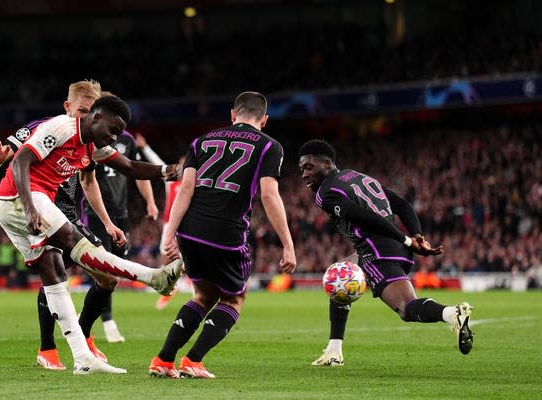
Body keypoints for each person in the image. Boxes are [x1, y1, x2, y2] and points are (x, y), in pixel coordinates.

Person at [0, 94, 184, 375]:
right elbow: (20, 161)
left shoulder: (93, 145)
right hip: (22, 199)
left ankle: (82, 358)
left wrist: (168, 171)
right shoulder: (62, 127)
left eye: (119, 132)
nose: (115, 137)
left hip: (12, 205)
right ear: (95, 117)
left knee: (54, 275)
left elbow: (129, 167)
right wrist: (30, 208)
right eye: (112, 129)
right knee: (75, 243)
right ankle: (153, 277)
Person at [149, 91, 297, 379]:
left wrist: (170, 233)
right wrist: (288, 244)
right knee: (232, 299)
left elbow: (186, 189)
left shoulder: (200, 141)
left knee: (203, 295)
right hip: (226, 232)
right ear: (264, 120)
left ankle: (164, 360)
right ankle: (193, 360)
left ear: (233, 114)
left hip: (190, 231)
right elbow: (269, 194)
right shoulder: (270, 147)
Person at [297, 139, 474, 367]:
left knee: (406, 308)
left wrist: (409, 239)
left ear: (328, 163)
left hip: (376, 249)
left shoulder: (325, 192)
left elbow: (364, 217)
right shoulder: (358, 177)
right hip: (392, 248)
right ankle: (334, 350)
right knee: (339, 276)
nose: (304, 175)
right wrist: (416, 234)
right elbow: (401, 204)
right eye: (301, 169)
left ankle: (452, 314)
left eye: (309, 167)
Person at [84, 127, 159, 342]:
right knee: (106, 270)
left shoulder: (127, 141)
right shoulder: (90, 138)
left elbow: (137, 173)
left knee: (117, 268)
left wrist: (151, 201)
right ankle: (108, 321)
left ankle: (88, 313)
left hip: (121, 213)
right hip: (96, 213)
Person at [133, 132, 191, 310]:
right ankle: (169, 287)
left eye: (185, 165)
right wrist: (145, 148)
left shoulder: (195, 184)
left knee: (191, 257)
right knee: (166, 257)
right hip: (169, 225)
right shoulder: (171, 182)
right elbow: (158, 163)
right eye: (180, 165)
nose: (182, 168)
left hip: (188, 226)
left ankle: (195, 287)